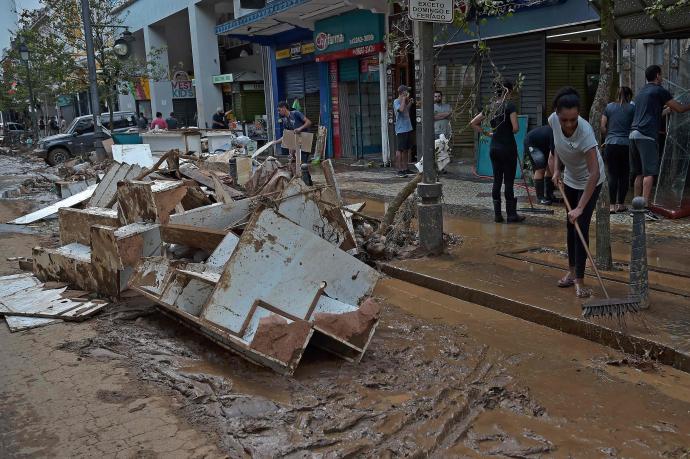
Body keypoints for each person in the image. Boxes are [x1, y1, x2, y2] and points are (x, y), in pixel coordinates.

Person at [548, 87, 605, 299]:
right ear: (557, 114)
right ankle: (571, 272)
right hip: (570, 179)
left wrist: (580, 207)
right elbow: (556, 145)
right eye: (565, 120)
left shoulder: (586, 133)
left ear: (579, 114)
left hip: (591, 181)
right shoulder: (553, 120)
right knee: (569, 225)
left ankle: (580, 281)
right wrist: (556, 170)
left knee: (580, 225)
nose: (569, 124)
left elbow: (594, 172)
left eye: (573, 119)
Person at [630, 65, 690, 220]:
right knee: (649, 174)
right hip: (647, 136)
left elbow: (652, 113)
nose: (662, 77)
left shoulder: (642, 92)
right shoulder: (659, 90)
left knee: (639, 173)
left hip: (634, 134)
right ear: (657, 76)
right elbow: (680, 109)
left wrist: (666, 111)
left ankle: (635, 208)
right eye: (661, 75)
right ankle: (644, 208)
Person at [470, 80, 524, 223]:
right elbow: (516, 128)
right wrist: (507, 129)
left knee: (497, 180)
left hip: (494, 147)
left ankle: (497, 215)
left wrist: (487, 134)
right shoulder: (510, 106)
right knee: (509, 182)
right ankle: (511, 215)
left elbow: (473, 123)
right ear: (509, 91)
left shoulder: (490, 107)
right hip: (508, 148)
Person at [601, 86, 634, 213]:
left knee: (612, 174)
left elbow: (603, 126)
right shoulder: (632, 108)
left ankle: (611, 206)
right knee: (624, 175)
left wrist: (609, 135)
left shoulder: (609, 107)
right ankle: (621, 204)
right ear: (629, 96)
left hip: (611, 144)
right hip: (625, 144)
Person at [524, 124, 556, 205]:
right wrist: (555, 175)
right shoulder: (554, 133)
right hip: (532, 144)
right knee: (540, 168)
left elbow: (552, 158)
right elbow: (553, 157)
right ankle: (540, 198)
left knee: (548, 167)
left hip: (543, 145)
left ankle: (549, 195)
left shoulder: (558, 134)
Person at [394, 85, 415, 177]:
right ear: (403, 92)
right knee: (400, 150)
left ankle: (405, 169)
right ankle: (399, 170)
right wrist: (403, 99)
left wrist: (410, 103)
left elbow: (406, 111)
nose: (408, 94)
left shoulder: (404, 101)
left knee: (406, 149)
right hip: (401, 129)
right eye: (406, 92)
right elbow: (401, 110)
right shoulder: (396, 101)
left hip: (408, 128)